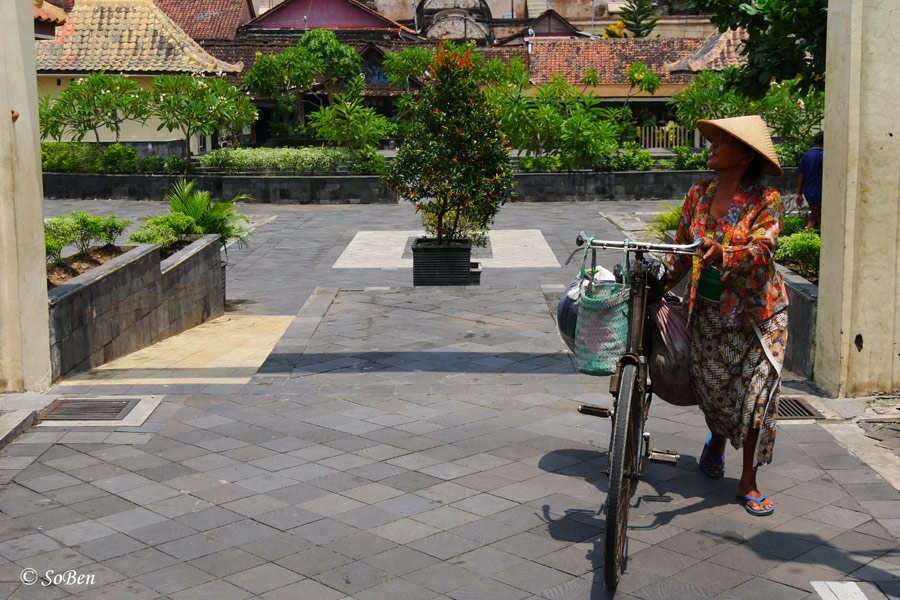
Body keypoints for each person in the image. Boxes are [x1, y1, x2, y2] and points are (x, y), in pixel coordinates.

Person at [664, 115, 789, 517]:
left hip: (759, 315)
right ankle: (716, 442)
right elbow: (682, 250)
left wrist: (726, 254)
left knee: (757, 397)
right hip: (711, 315)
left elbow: (764, 250)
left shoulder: (764, 201)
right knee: (716, 392)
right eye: (714, 140)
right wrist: (656, 280)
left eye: (723, 142)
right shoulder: (699, 195)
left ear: (745, 156)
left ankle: (748, 482)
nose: (713, 146)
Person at [796, 131, 824, 230]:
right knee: (814, 218)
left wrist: (799, 193)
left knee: (818, 216)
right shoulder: (824, 155)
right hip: (820, 192)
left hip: (809, 191)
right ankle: (805, 233)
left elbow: (801, 175)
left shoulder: (806, 155)